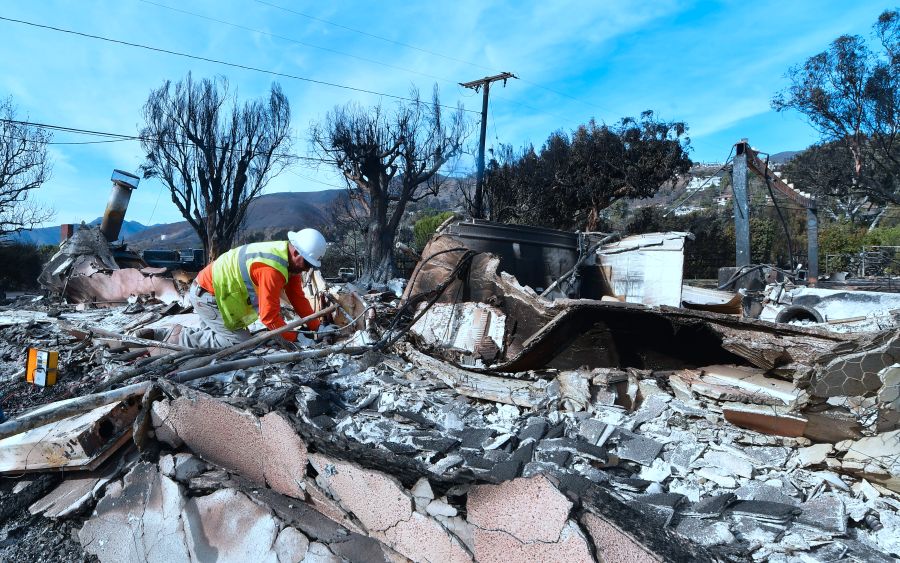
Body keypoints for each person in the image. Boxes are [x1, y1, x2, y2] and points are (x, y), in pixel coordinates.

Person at [174, 229, 328, 349]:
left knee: (225, 335)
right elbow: (269, 317)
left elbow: (296, 296)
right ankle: (179, 338)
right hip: (208, 298)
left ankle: (199, 333)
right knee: (241, 345)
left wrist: (317, 327)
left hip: (218, 295)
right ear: (296, 253)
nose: (306, 269)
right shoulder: (272, 269)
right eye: (307, 264)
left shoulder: (289, 260)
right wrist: (295, 338)